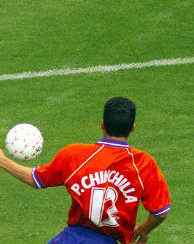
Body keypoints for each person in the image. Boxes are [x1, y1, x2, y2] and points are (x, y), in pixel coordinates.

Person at [0, 97, 170, 244]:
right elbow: (160, 212)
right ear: (132, 128)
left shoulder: (74, 155)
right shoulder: (143, 163)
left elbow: (35, 178)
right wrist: (143, 229)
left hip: (71, 239)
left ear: (102, 124)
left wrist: (3, 161)